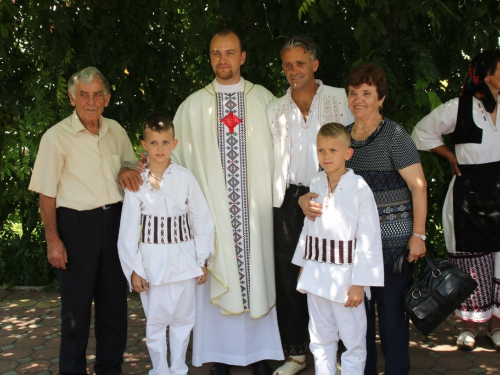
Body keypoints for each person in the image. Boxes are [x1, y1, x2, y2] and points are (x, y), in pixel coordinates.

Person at [300, 62, 427, 374]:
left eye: (367, 93)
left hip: (392, 247)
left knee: (393, 321)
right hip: (347, 254)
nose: (359, 99)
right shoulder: (341, 139)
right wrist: (304, 200)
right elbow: (321, 185)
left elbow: (418, 186)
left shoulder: (396, 136)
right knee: (359, 325)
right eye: (353, 93)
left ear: (380, 98)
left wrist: (419, 235)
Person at [172, 29, 284, 375]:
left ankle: (262, 353)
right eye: (216, 53)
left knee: (259, 275)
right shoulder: (192, 107)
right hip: (214, 217)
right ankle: (220, 355)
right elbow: (171, 160)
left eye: (230, 52)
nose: (223, 59)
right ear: (210, 58)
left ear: (243, 56)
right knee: (218, 276)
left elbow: (285, 154)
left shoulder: (265, 100)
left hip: (257, 214)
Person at [28, 66, 140, 374]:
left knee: (114, 307)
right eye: (83, 95)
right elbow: (46, 194)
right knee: (75, 312)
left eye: (97, 95)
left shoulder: (116, 130)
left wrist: (127, 170)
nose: (90, 101)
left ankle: (110, 369)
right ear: (72, 98)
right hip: (76, 228)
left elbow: (130, 167)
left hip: (115, 224)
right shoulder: (56, 138)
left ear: (107, 98)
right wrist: (53, 240)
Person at [267, 35, 353, 375]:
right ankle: (297, 354)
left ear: (314, 65)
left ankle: (342, 354)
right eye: (288, 64)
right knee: (290, 279)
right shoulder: (274, 108)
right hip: (289, 199)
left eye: (300, 63)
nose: (293, 70)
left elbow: (352, 145)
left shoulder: (338, 98)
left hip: (332, 193)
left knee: (334, 273)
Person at [412, 50, 500, 351]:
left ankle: (497, 325)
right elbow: (421, 132)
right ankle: (469, 326)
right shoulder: (459, 107)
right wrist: (449, 155)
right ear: (486, 75)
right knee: (473, 259)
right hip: (470, 194)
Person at [117, 114, 215, 374]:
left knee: (183, 321)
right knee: (156, 324)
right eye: (153, 143)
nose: (159, 149)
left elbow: (201, 220)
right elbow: (127, 230)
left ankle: (179, 368)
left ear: (174, 143)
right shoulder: (136, 184)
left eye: (164, 142)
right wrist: (134, 269)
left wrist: (201, 260)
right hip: (152, 265)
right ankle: (160, 370)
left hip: (184, 261)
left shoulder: (185, 178)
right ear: (143, 145)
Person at [292, 123, 384, 374]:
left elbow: (369, 237)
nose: (326, 156)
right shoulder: (316, 182)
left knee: (353, 341)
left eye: (333, 150)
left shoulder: (359, 188)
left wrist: (359, 283)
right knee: (320, 339)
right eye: (321, 150)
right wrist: (303, 265)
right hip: (317, 275)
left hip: (346, 279)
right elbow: (307, 228)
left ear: (347, 153)